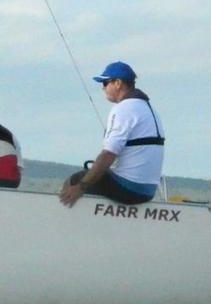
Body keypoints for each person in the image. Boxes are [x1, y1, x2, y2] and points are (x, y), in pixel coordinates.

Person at [60, 61, 165, 207]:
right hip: (148, 189)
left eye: (105, 83)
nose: (103, 88)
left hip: (131, 188)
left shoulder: (124, 109)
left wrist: (81, 187)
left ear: (118, 83)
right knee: (96, 175)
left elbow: (108, 154)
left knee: (75, 180)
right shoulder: (148, 107)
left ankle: (70, 225)